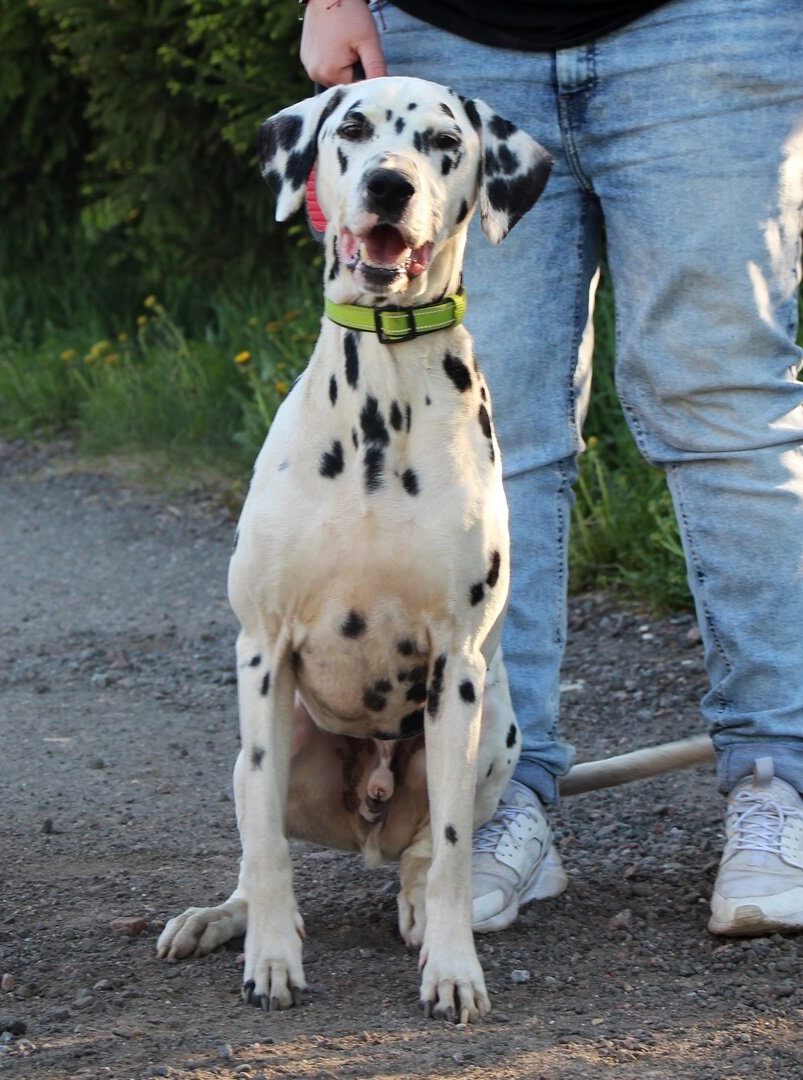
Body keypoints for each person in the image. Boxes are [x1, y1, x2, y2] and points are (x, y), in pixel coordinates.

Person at [299, 0, 803, 937]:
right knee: (485, 426)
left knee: (728, 402)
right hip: (448, 31)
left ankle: (779, 785)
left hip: (718, 24)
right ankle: (494, 800)